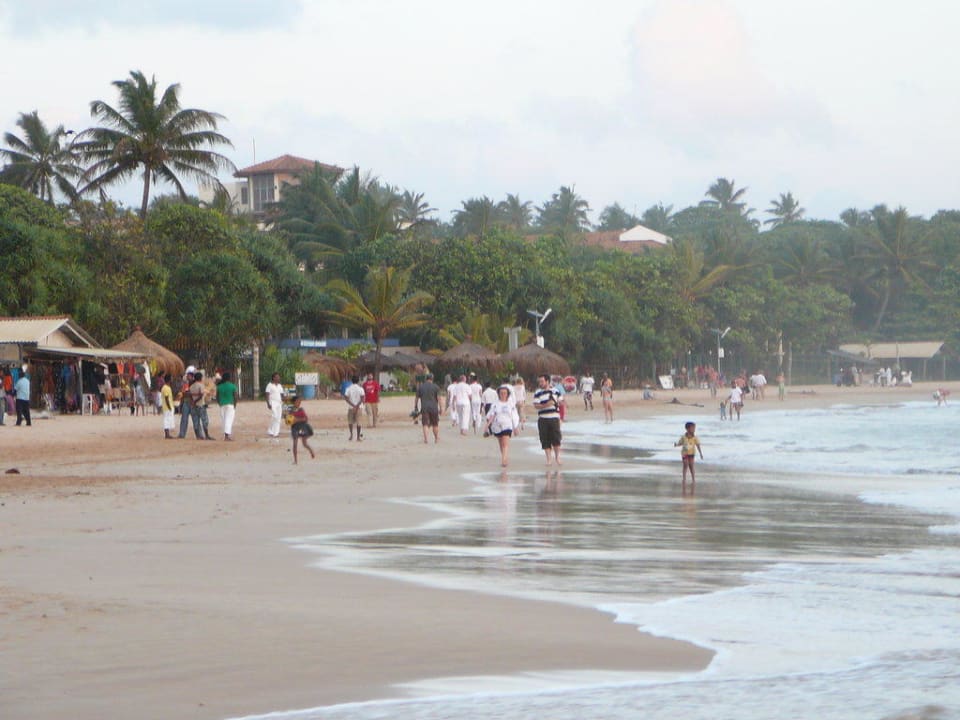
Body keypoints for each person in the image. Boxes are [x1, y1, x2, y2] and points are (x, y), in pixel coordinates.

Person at [485, 386, 521, 467]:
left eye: (505, 393)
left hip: (507, 425)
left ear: (507, 394)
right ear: (498, 394)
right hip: (497, 426)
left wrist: (515, 427)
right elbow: (491, 415)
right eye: (501, 393)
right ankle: (504, 457)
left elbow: (514, 416)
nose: (503, 394)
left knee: (505, 443)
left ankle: (504, 460)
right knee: (501, 443)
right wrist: (487, 426)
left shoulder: (510, 404)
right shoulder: (495, 404)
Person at [533, 373, 562, 466]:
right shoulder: (538, 392)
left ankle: (557, 457)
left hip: (554, 417)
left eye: (542, 381)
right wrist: (546, 405)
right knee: (545, 439)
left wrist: (557, 403)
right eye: (539, 382)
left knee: (556, 439)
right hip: (543, 418)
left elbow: (561, 402)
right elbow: (536, 405)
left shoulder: (555, 391)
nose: (540, 383)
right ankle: (549, 459)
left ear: (547, 381)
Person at [414, 373, 442, 443]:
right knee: (435, 424)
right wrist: (441, 408)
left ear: (426, 379)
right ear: (432, 379)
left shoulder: (421, 387)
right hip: (434, 408)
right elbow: (439, 398)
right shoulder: (436, 387)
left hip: (424, 407)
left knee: (425, 424)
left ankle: (426, 439)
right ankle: (436, 438)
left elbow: (416, 398)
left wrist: (416, 406)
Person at [674, 421, 704, 485]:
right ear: (687, 429)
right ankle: (684, 478)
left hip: (692, 453)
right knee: (685, 464)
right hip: (684, 453)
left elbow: (698, 445)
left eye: (694, 428)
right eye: (692, 428)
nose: (694, 430)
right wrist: (676, 445)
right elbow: (680, 443)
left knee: (691, 466)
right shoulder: (683, 437)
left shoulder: (695, 437)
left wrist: (701, 453)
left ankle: (693, 479)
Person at [289, 396, 315, 464]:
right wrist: (294, 421)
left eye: (299, 402)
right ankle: (295, 460)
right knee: (295, 444)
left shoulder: (301, 409)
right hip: (295, 428)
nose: (299, 403)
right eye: (297, 402)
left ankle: (311, 451)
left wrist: (296, 420)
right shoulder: (291, 411)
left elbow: (306, 419)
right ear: (294, 402)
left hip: (302, 427)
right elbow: (289, 421)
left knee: (304, 443)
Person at [189, 372, 213, 440]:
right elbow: (201, 395)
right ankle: (207, 435)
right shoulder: (201, 385)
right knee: (204, 421)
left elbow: (190, 395)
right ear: (200, 378)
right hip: (200, 405)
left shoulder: (191, 386)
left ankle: (198, 436)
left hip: (193, 406)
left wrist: (193, 402)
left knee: (195, 421)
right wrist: (195, 401)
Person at [217, 371, 239, 441]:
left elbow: (217, 397)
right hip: (230, 405)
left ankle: (225, 435)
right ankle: (227, 436)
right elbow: (235, 397)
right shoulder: (232, 386)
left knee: (224, 420)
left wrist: (219, 403)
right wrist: (235, 405)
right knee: (229, 420)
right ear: (229, 378)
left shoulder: (219, 386)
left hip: (222, 405)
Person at [177, 370, 197, 439]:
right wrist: (181, 404)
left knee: (195, 419)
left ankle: (199, 434)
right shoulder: (185, 384)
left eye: (189, 376)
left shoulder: (195, 384)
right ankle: (181, 434)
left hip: (192, 403)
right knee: (184, 419)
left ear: (192, 376)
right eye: (187, 376)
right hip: (186, 402)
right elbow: (183, 394)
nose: (187, 377)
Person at [344, 375, 365, 441]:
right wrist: (357, 406)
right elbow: (362, 399)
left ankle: (351, 435)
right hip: (359, 408)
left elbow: (346, 398)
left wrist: (353, 405)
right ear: (358, 381)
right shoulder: (360, 389)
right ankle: (358, 437)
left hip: (351, 408)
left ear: (351, 381)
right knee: (359, 422)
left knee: (350, 422)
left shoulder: (348, 388)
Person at [265, 372, 285, 439]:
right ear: (273, 378)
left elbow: (282, 394)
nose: (278, 378)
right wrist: (268, 403)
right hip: (272, 402)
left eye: (279, 377)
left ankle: (274, 431)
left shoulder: (279, 386)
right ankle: (273, 432)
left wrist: (284, 401)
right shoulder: (269, 385)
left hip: (279, 402)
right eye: (277, 377)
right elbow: (267, 395)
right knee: (275, 416)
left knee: (278, 417)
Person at [158, 374, 176, 439]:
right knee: (167, 420)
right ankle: (167, 434)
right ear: (169, 380)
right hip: (167, 407)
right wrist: (169, 406)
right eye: (171, 378)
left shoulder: (167, 387)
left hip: (168, 406)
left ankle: (167, 433)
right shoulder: (166, 388)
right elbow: (166, 398)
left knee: (168, 419)